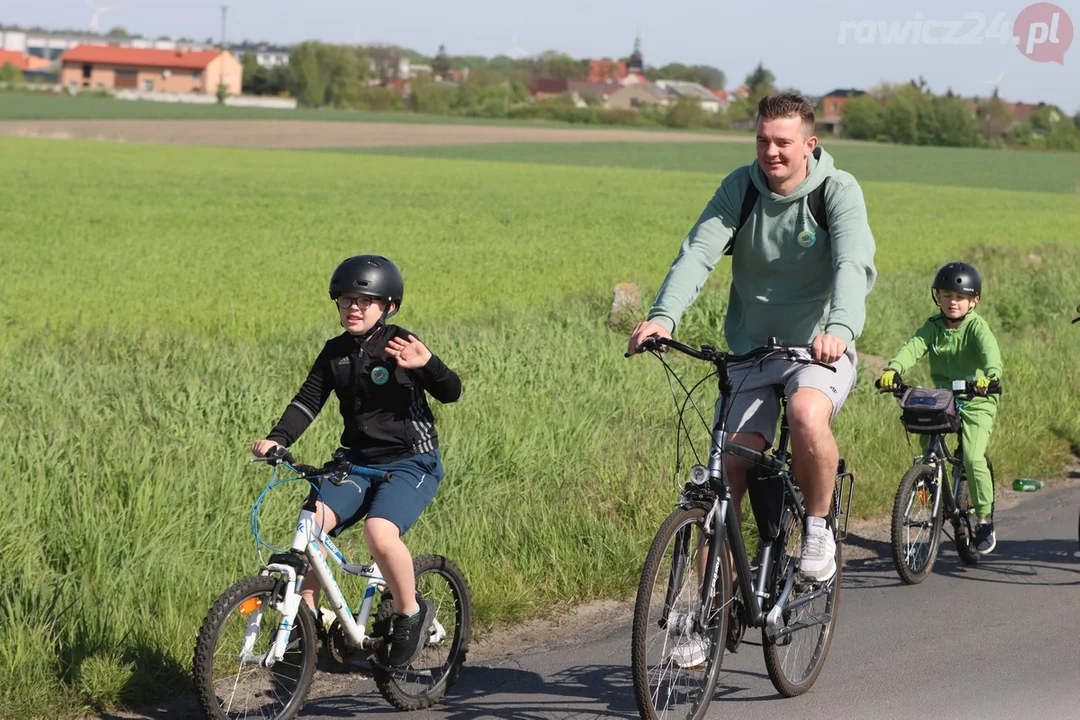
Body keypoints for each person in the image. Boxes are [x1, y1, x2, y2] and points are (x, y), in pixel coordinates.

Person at [627, 93, 877, 585]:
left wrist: (840, 329)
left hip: (815, 349)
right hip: (751, 348)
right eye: (762, 140)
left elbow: (853, 264)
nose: (771, 152)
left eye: (783, 142)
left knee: (807, 414)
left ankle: (817, 525)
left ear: (809, 144)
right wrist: (663, 318)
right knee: (726, 477)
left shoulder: (837, 192)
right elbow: (697, 253)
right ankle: (699, 619)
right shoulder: (740, 188)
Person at [250, 254, 462, 667]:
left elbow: (450, 390)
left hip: (410, 463)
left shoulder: (403, 344)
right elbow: (307, 402)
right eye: (346, 300)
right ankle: (307, 626)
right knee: (310, 526)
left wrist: (429, 365)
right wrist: (277, 438)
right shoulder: (335, 353)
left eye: (365, 301)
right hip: (355, 464)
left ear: (389, 306)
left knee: (380, 534)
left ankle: (410, 615)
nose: (353, 308)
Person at [878, 261, 1002, 553]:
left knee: (972, 458)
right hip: (944, 398)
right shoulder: (933, 326)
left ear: (974, 301)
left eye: (960, 297)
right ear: (937, 297)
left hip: (977, 397)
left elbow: (991, 357)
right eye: (946, 295)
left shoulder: (977, 328)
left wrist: (989, 377)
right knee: (926, 450)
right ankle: (928, 490)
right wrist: (894, 369)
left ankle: (984, 519)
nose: (953, 302)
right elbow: (914, 346)